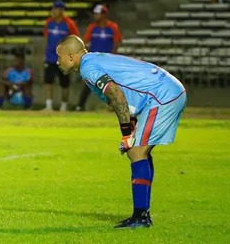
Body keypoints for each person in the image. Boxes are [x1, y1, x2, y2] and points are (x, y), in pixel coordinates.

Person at [56, 35, 187, 228]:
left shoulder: (88, 68)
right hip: (165, 91)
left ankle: (141, 217)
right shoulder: (93, 60)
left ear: (70, 56)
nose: (56, 61)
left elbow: (116, 95)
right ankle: (142, 214)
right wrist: (131, 126)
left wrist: (126, 133)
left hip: (161, 96)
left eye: (58, 56)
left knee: (136, 151)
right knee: (140, 152)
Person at [76, 4, 122, 111]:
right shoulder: (92, 27)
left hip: (107, 60)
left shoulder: (113, 27)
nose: (95, 16)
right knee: (88, 83)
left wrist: (112, 56)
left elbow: (117, 42)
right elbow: (86, 42)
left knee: (109, 84)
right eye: (95, 14)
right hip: (94, 61)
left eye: (98, 14)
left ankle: (114, 105)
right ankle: (80, 105)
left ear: (104, 15)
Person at [43, 0, 79, 111]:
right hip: (50, 57)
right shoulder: (49, 22)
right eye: (53, 8)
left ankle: (64, 106)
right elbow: (46, 37)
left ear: (61, 10)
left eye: (56, 9)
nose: (53, 11)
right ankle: (49, 105)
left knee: (64, 83)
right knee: (48, 81)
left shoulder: (69, 23)